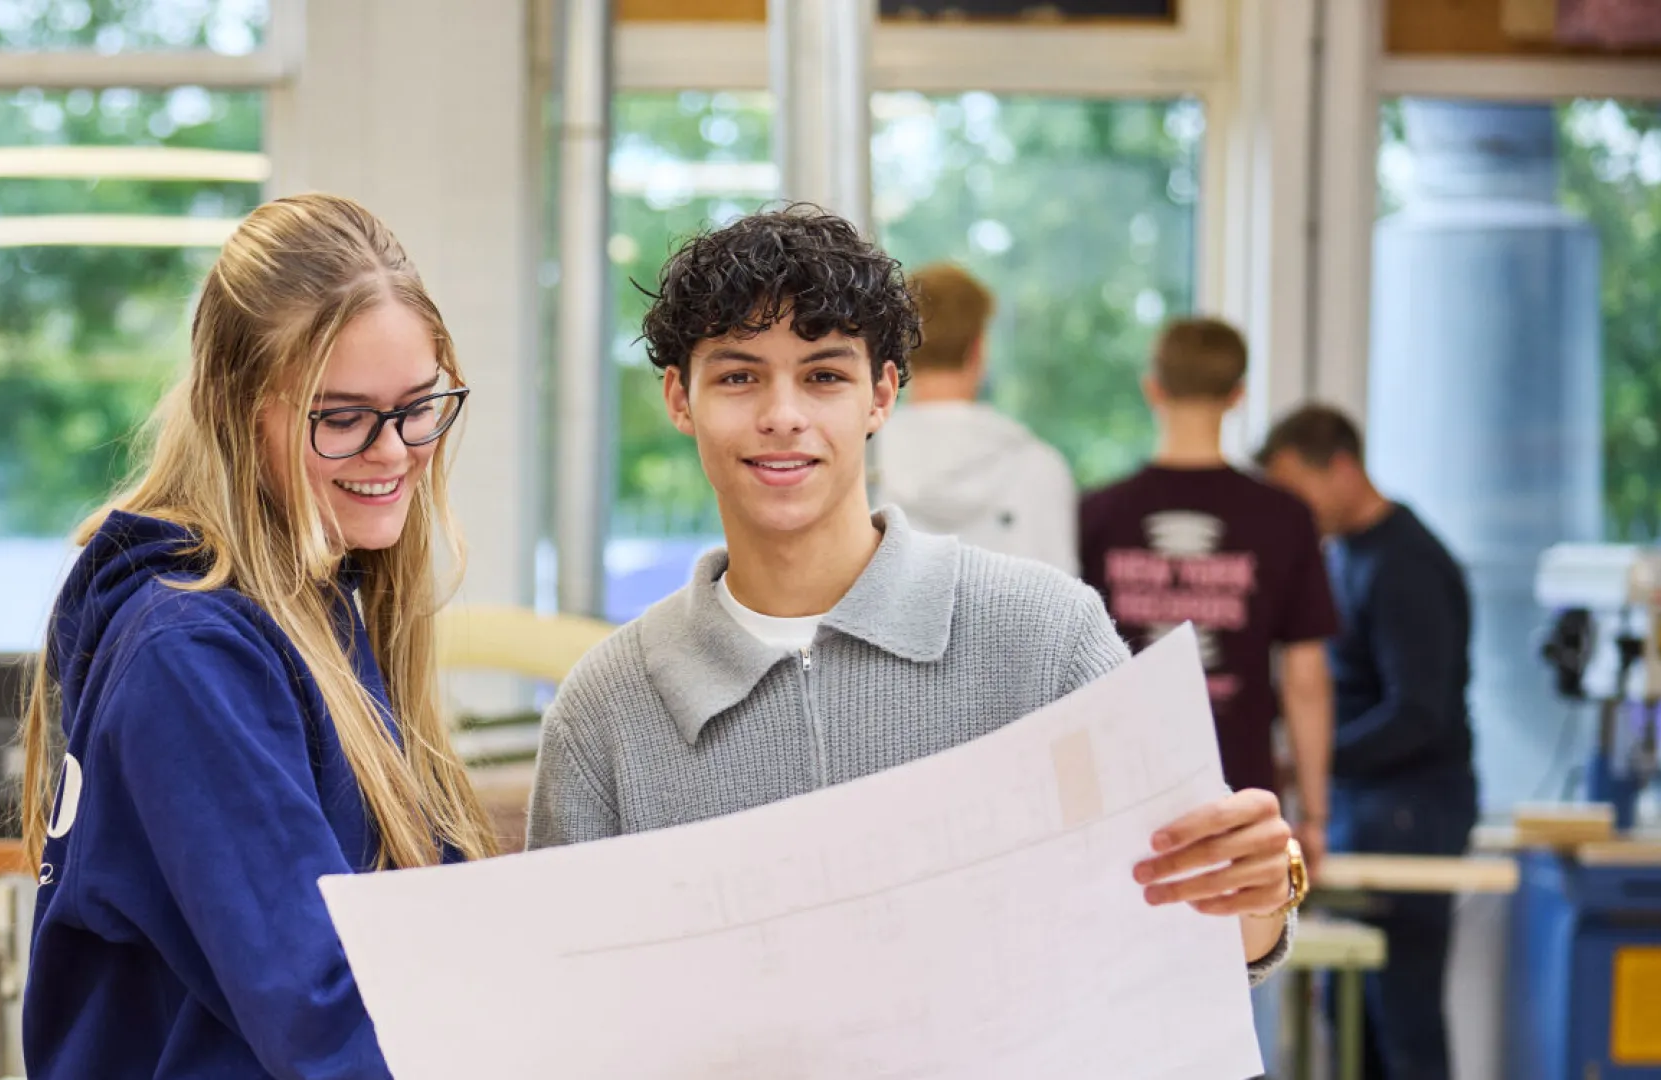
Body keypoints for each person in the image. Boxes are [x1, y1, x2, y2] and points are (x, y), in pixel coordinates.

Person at [527, 205, 1299, 987]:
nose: (783, 416)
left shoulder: (1045, 636)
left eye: (825, 376)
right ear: (679, 399)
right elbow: (564, 1004)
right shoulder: (606, 709)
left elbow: (1194, 931)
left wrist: (1261, 895)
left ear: (882, 395)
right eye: (738, 377)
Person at [17, 193, 496, 1078]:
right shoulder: (192, 656)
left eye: (418, 407)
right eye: (341, 417)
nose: (392, 452)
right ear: (243, 412)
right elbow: (324, 1016)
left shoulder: (318, 606)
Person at [1260, 403, 1477, 1080]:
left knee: (1403, 1021)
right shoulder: (1344, 557)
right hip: (1366, 804)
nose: (1290, 509)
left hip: (1412, 811)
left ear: (1344, 468)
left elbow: (1420, 713)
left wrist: (1309, 764)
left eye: (1296, 487)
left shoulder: (1404, 564)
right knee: (1351, 1022)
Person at [1078, 318, 1337, 873]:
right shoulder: (1284, 518)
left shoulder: (1097, 514)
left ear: (1154, 389)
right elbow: (1306, 680)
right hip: (1238, 791)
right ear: (1238, 396)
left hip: (1120, 787)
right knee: (1245, 956)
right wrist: (1313, 816)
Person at [879, 262, 1078, 574]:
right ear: (978, 350)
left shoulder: (861, 465)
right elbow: (1065, 607)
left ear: (901, 352)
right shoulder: (1040, 468)